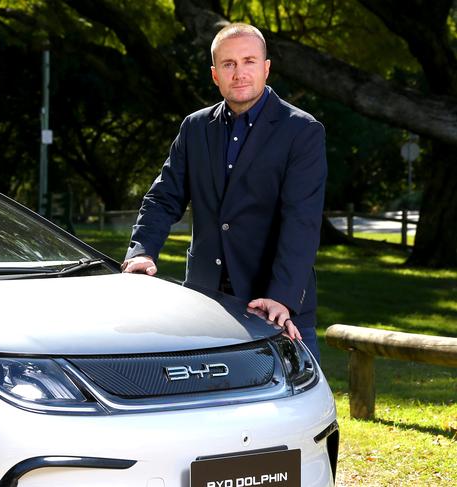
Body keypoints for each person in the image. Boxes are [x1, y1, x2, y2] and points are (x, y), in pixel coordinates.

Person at [121, 22, 327, 362]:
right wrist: (143, 250)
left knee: (290, 406)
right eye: (229, 64)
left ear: (266, 68)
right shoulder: (195, 127)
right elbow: (163, 197)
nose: (240, 73)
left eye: (249, 61)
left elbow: (301, 223)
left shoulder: (302, 131)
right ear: (216, 75)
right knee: (205, 407)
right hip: (205, 299)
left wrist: (283, 297)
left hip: (273, 303)